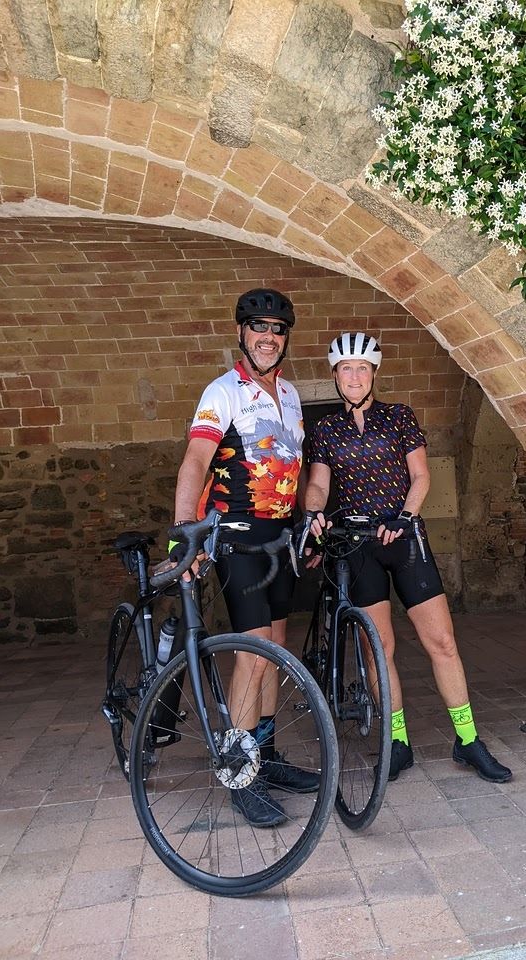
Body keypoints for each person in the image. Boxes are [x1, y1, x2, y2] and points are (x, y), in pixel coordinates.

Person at [302, 332, 512, 784]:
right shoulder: (324, 430)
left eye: (362, 368)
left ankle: (468, 740)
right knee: (380, 651)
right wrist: (313, 510)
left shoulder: (398, 416)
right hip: (358, 547)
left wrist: (404, 515)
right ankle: (397, 742)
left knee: (443, 642)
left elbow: (420, 475)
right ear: (335, 376)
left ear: (373, 374)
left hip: (404, 539)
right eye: (345, 369)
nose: (354, 376)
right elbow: (318, 482)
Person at [171, 287, 318, 827]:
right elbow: (194, 462)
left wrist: (308, 523)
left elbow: (292, 469)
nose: (268, 337)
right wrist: (185, 533)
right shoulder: (223, 391)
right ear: (241, 333)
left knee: (276, 648)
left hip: (278, 537)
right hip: (236, 537)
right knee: (253, 653)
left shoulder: (294, 396)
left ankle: (266, 754)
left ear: (285, 339)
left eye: (278, 330)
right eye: (258, 327)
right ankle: (238, 771)